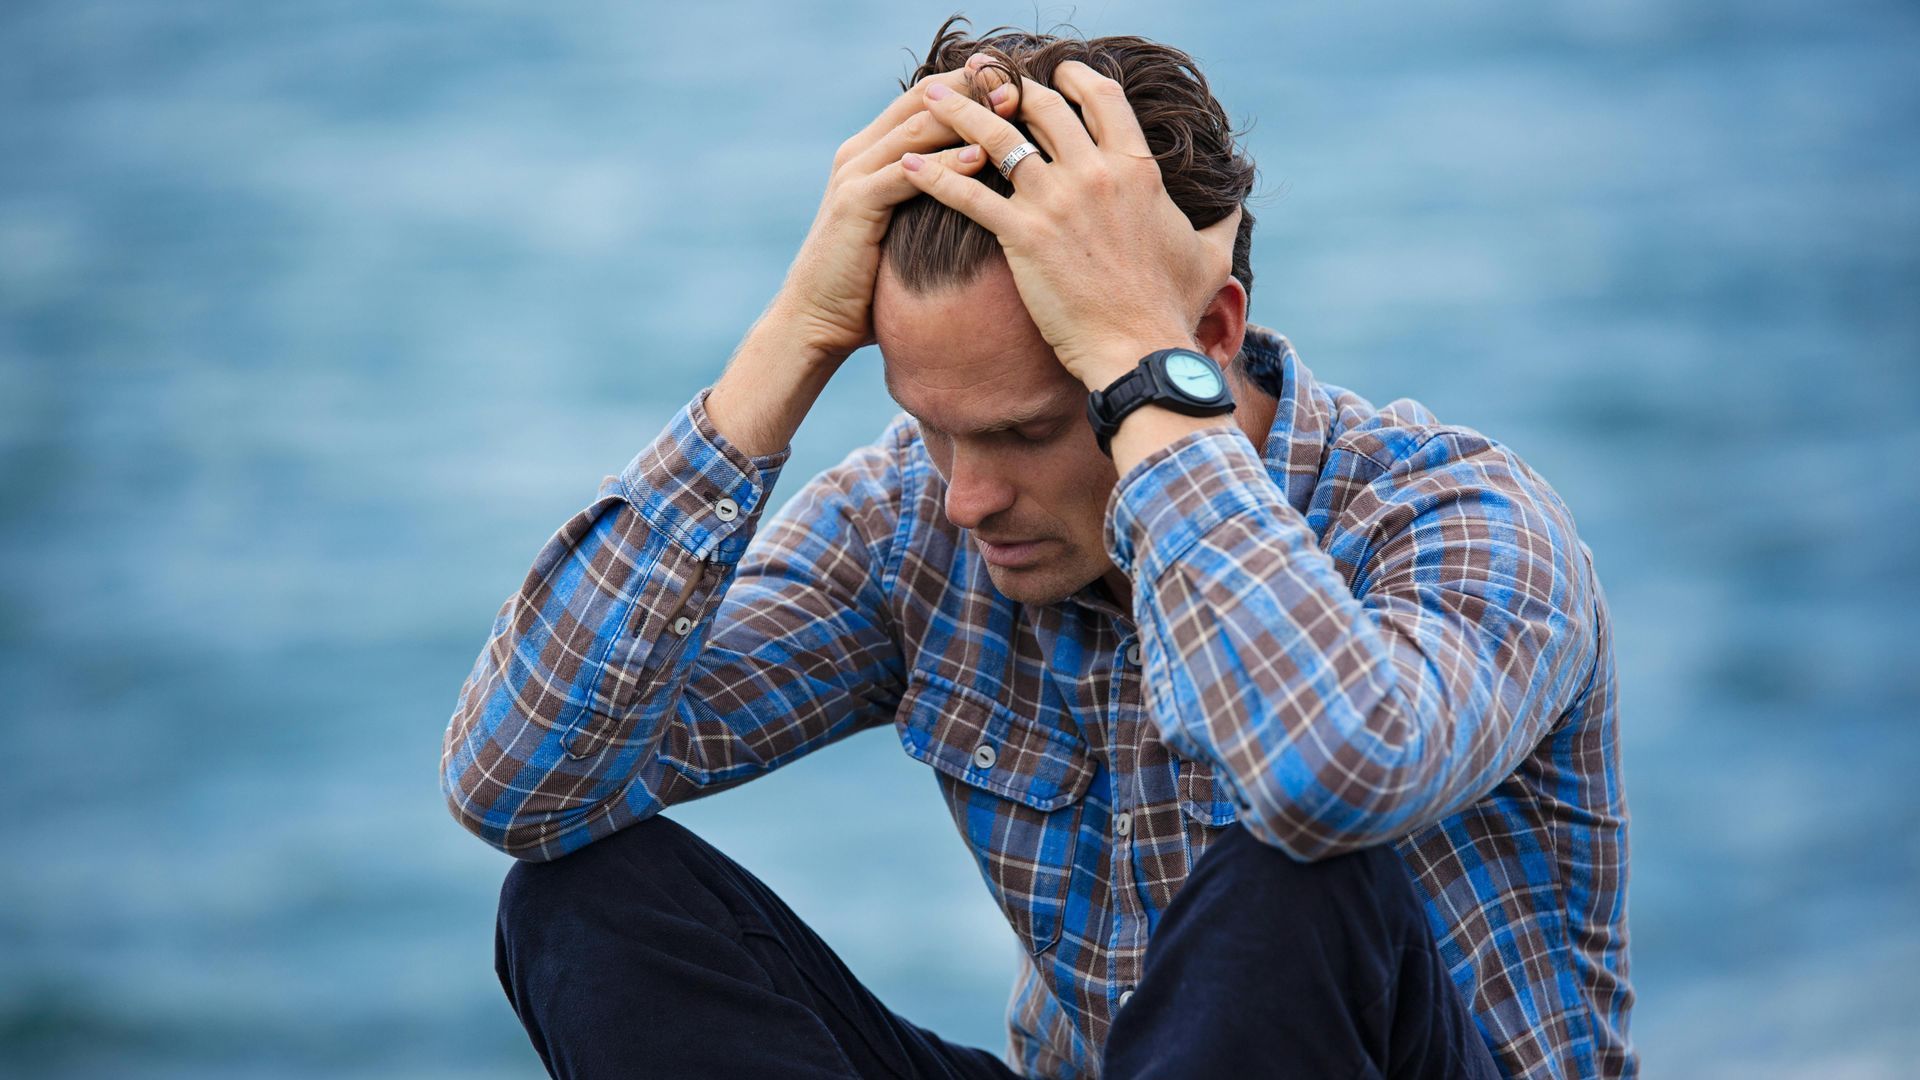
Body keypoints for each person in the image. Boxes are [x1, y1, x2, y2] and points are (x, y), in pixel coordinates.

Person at [440, 16, 1635, 1080]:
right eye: (930, 427)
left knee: (1299, 870)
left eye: (1023, 431)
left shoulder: (1459, 521)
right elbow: (519, 786)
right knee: (581, 903)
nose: (965, 496)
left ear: (1204, 339)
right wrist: (792, 341)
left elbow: (1326, 777)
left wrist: (1136, 365)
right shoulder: (916, 519)